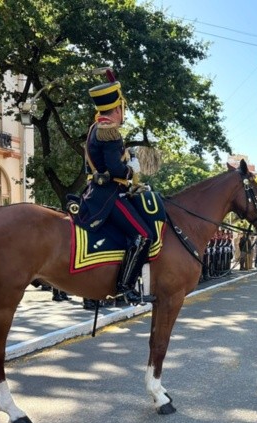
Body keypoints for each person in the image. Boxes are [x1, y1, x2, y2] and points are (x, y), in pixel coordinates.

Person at [82, 75, 153, 304]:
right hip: (108, 195)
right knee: (143, 236)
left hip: (104, 191)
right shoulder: (108, 128)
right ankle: (125, 286)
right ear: (117, 107)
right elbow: (114, 169)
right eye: (123, 108)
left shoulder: (97, 126)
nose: (124, 113)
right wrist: (130, 170)